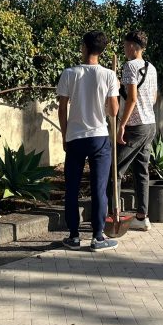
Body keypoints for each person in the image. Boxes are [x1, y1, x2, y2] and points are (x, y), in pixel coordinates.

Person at [58, 31, 120, 251]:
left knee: (72, 188)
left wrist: (64, 135)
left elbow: (62, 107)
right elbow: (113, 111)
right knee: (99, 188)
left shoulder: (69, 73)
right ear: (101, 51)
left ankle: (74, 236)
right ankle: (98, 237)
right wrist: (114, 91)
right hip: (99, 137)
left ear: (84, 47)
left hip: (75, 137)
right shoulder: (109, 75)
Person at [110, 31, 158, 231]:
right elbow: (153, 97)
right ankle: (142, 216)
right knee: (141, 171)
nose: (123, 48)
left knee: (115, 171)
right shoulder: (151, 68)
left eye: (125, 45)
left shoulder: (129, 66)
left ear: (132, 46)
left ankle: (114, 216)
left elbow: (132, 99)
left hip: (135, 127)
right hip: (150, 124)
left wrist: (122, 124)